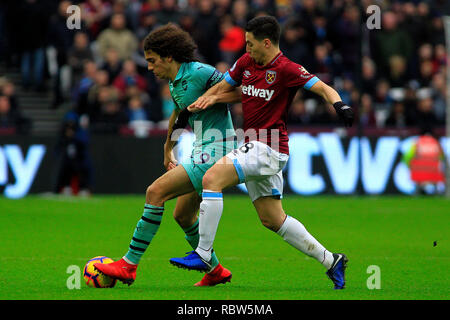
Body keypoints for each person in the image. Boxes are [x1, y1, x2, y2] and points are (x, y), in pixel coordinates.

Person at [170, 16, 354, 290]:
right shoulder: (246, 62)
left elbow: (324, 88)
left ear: (266, 43)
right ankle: (331, 260)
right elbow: (226, 85)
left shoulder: (287, 69)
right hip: (254, 144)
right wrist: (211, 97)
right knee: (272, 219)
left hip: (269, 147)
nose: (247, 49)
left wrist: (340, 106)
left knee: (212, 178)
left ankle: (203, 253)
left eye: (250, 43)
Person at [94, 23, 241, 287]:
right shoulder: (176, 81)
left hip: (218, 149)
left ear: (168, 57)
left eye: (152, 61)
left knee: (155, 193)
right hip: (201, 149)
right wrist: (168, 147)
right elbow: (178, 114)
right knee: (182, 215)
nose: (150, 67)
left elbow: (243, 92)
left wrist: (214, 99)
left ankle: (128, 265)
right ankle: (216, 270)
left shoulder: (201, 72)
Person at [403, 126, 445, 195]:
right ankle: (436, 194)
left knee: (418, 183)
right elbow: (441, 157)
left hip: (419, 170)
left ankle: (417, 194)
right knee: (435, 182)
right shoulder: (436, 142)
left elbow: (408, 156)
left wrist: (409, 166)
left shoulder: (417, 142)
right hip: (433, 171)